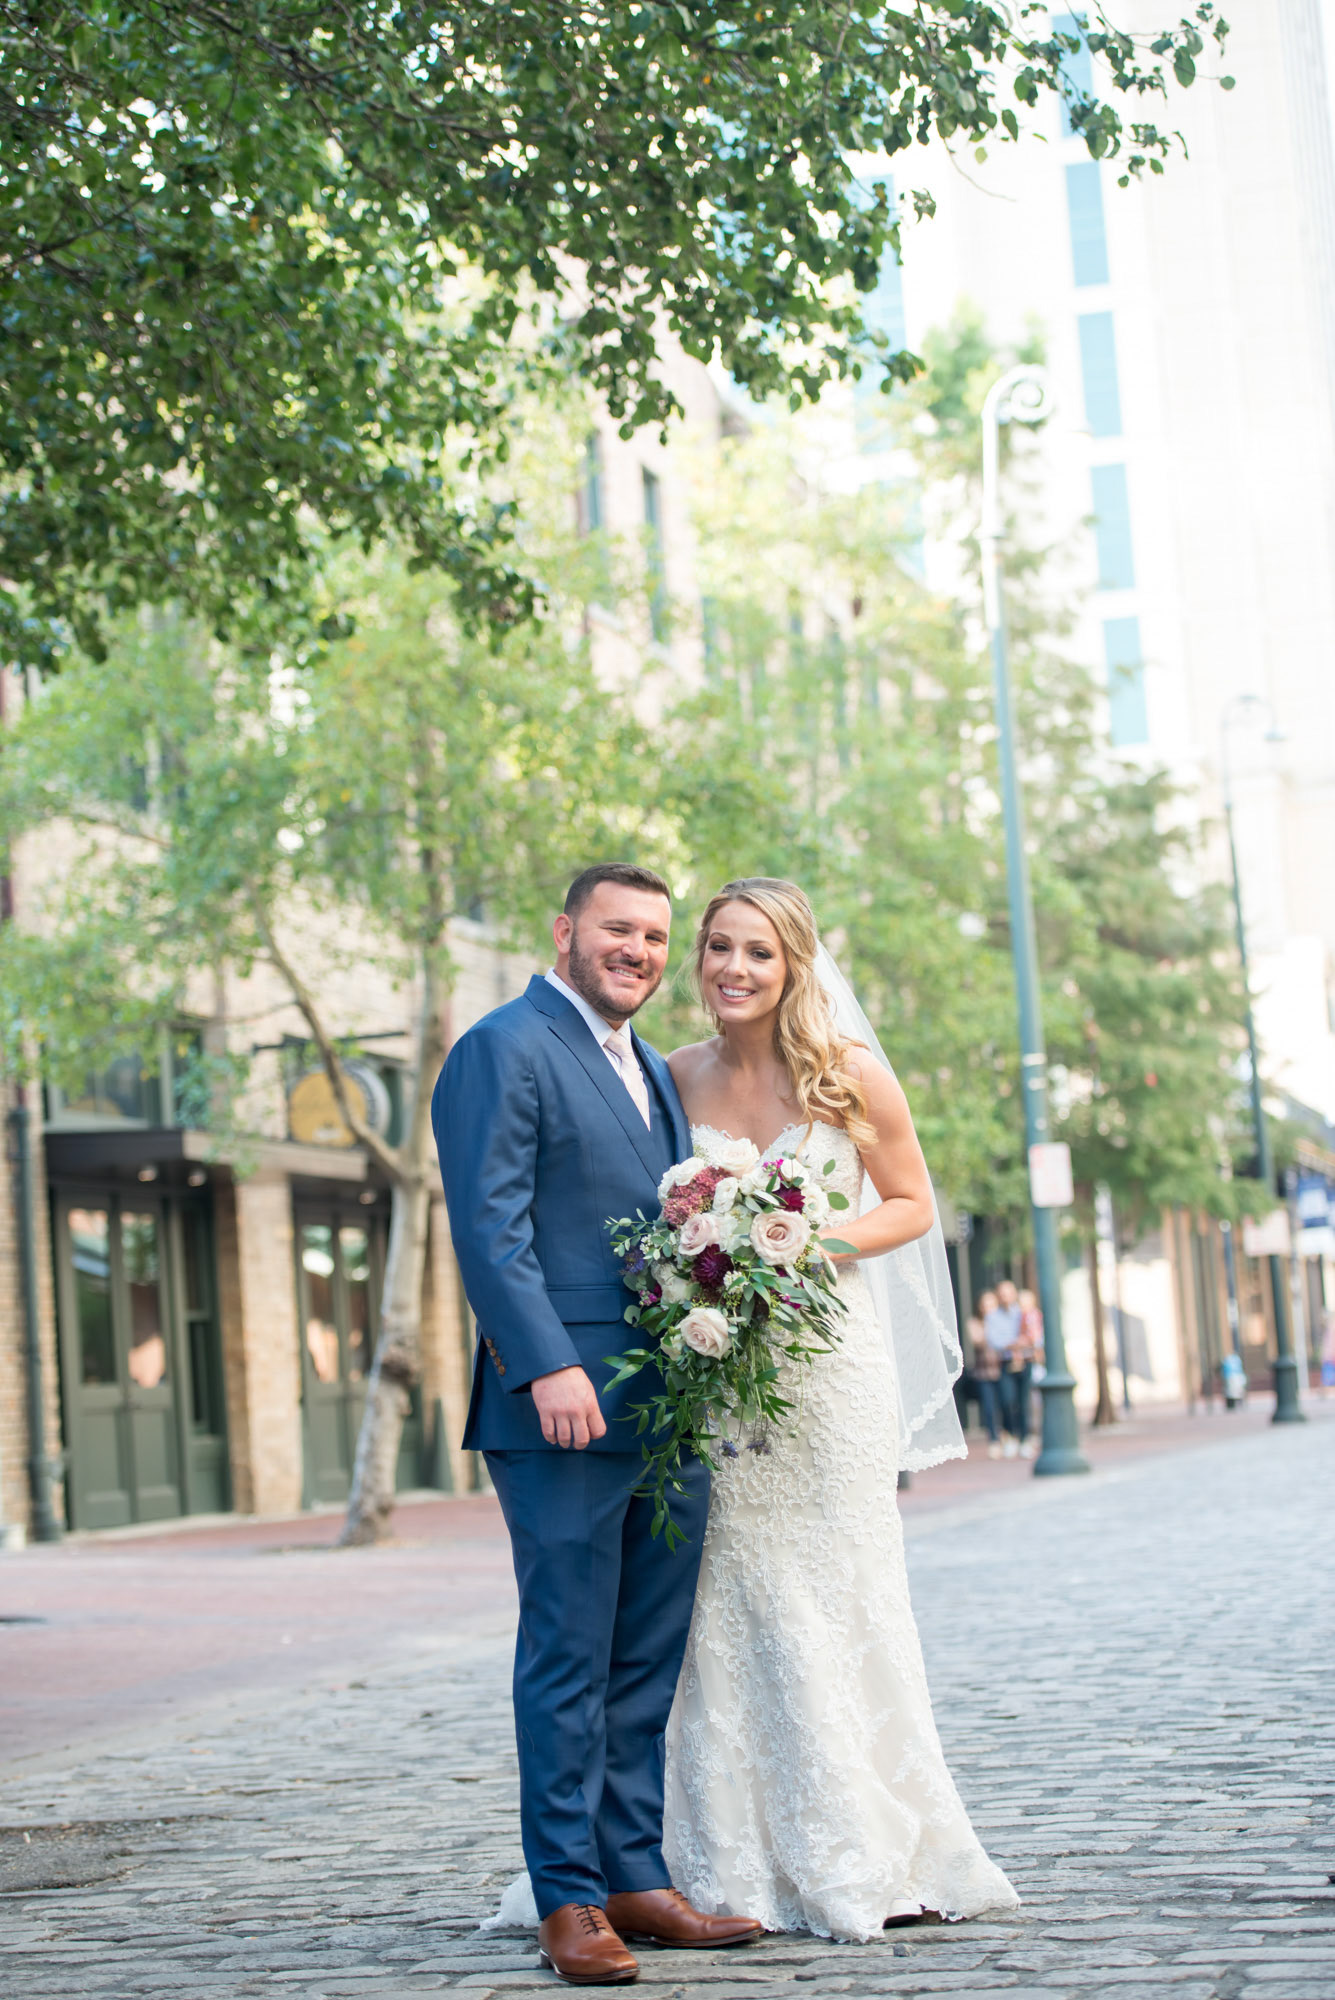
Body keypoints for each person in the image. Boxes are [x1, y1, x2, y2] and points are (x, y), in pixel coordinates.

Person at [663, 877, 1017, 1940]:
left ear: (795, 964)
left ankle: (870, 1841)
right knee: (725, 1593)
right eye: (719, 947)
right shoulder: (671, 1073)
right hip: (720, 1366)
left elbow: (909, 1201)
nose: (734, 967)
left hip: (829, 1364)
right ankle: (721, 1853)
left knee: (839, 1581)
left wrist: (804, 1239)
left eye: (758, 952)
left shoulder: (844, 1072)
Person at [433, 864, 763, 1986]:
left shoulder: (651, 1070)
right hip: (562, 1408)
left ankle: (636, 1874)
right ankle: (569, 1899)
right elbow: (491, 1223)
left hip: (669, 1401)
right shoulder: (503, 1045)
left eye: (657, 935)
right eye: (619, 929)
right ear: (567, 930)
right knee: (569, 1654)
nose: (641, 950)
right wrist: (544, 1365)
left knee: (644, 1658)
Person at [983, 1281, 1024, 1457]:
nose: (1005, 1297)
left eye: (1008, 1293)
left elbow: (1033, 1335)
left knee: (1024, 1402)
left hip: (1024, 1361)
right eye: (1002, 1293)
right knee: (1007, 1401)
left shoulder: (1022, 1313)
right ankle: (1010, 1434)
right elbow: (994, 1341)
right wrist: (1013, 1345)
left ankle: (1024, 1438)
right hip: (1005, 1362)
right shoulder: (992, 1317)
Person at [972, 1291, 1007, 1459]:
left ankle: (1007, 1435)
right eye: (985, 1305)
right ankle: (993, 1439)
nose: (988, 1309)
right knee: (989, 1407)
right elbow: (978, 1341)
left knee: (1006, 1403)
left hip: (1002, 1370)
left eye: (991, 1305)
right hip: (984, 1372)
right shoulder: (976, 1322)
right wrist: (991, 1325)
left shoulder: (1002, 1321)